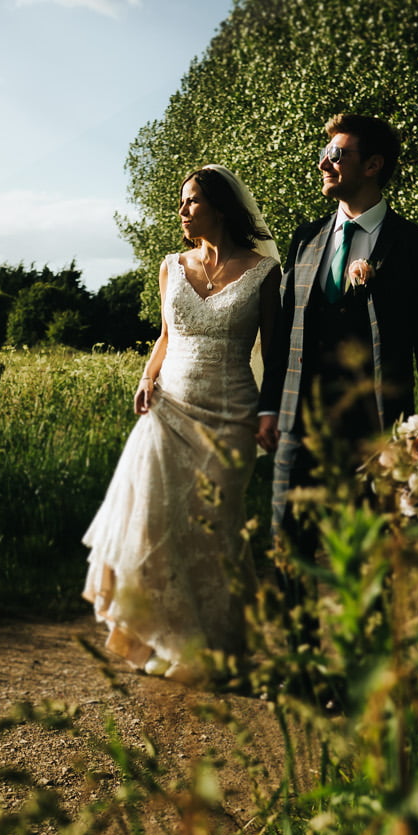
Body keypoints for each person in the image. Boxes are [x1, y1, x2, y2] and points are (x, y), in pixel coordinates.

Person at [81, 166, 283, 676]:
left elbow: (277, 355)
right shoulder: (171, 266)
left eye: (192, 200)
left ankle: (215, 652)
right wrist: (147, 377)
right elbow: (166, 337)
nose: (182, 210)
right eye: (181, 201)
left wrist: (268, 411)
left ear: (221, 207)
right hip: (169, 410)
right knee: (154, 523)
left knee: (215, 530)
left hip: (232, 415)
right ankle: (164, 643)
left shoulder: (263, 272)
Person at [257, 112, 418, 551]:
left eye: (336, 154)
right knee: (289, 547)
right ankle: (299, 623)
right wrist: (269, 407)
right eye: (324, 154)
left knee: (375, 556)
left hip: (379, 429)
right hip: (299, 424)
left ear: (373, 165)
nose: (323, 163)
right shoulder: (305, 240)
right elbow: (287, 332)